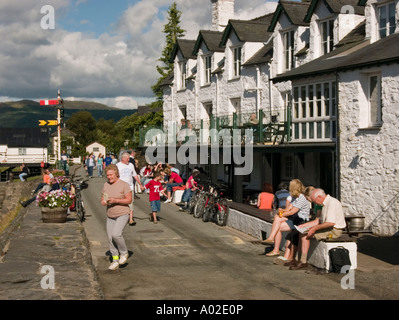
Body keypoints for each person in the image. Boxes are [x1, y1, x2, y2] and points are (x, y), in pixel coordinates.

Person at [289, 188, 346, 271]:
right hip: (329, 227)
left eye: (314, 200)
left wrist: (313, 228)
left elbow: (330, 223)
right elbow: (318, 220)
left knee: (305, 234)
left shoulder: (332, 203)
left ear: (319, 197)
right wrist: (305, 225)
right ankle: (299, 259)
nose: (314, 203)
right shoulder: (325, 203)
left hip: (334, 230)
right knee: (302, 232)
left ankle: (303, 261)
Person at [262, 179, 310, 257]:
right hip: (294, 218)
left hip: (300, 220)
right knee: (277, 223)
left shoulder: (301, 198)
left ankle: (273, 242)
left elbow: (292, 212)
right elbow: (288, 209)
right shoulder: (295, 197)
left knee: (277, 221)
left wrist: (282, 214)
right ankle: (273, 243)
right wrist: (281, 210)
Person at [101, 164, 132, 271]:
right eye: (107, 175)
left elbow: (129, 200)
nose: (109, 177)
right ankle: (115, 260)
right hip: (110, 214)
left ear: (116, 174)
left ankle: (124, 253)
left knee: (116, 234)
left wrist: (116, 200)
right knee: (110, 238)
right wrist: (104, 202)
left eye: (111, 175)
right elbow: (102, 198)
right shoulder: (106, 185)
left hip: (122, 213)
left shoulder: (124, 185)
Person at [116, 152, 143, 225]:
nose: (129, 160)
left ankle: (131, 219)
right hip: (121, 188)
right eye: (128, 158)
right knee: (121, 203)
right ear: (123, 158)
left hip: (130, 187)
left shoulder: (131, 165)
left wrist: (140, 184)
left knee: (131, 203)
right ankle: (120, 218)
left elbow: (135, 175)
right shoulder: (118, 166)